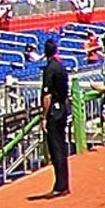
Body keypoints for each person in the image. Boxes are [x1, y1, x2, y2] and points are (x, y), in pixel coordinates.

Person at [36, 35, 73, 197]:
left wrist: (44, 117)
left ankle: (61, 185)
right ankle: (62, 184)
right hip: (63, 108)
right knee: (61, 147)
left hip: (54, 111)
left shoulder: (50, 69)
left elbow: (47, 96)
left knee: (56, 148)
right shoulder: (61, 66)